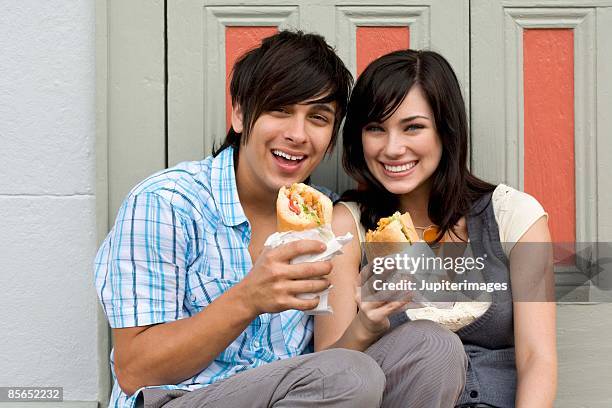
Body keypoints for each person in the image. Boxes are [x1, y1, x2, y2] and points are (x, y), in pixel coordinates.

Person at [94, 30, 386, 408]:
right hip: (184, 400)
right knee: (351, 376)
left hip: (293, 398)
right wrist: (250, 298)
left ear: (331, 136)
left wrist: (368, 323)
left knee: (431, 347)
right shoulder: (165, 204)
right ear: (240, 113)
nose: (297, 134)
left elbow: (331, 364)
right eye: (280, 110)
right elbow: (135, 371)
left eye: (317, 117)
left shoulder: (330, 220)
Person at [314, 49, 557, 407]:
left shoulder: (514, 216)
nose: (393, 148)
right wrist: (364, 326)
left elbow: (539, 358)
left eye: (413, 127)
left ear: (446, 129)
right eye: (376, 129)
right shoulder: (346, 227)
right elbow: (327, 373)